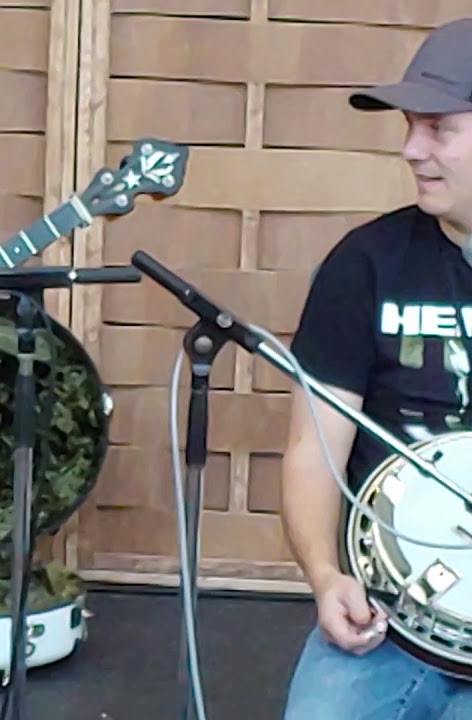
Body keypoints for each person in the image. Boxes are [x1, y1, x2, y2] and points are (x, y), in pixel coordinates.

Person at [279, 17, 472, 720]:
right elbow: (312, 447)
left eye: (438, 128)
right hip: (389, 623)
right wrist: (325, 576)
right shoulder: (364, 264)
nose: (411, 150)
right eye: (409, 127)